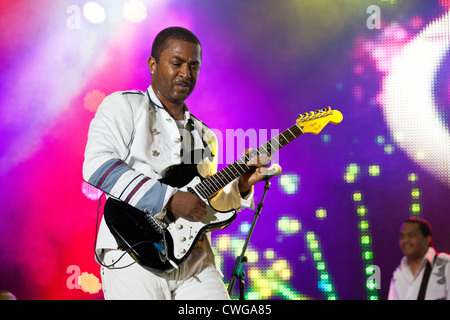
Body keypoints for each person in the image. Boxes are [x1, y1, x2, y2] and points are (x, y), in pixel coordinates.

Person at [82, 27, 270, 300]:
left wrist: (241, 187)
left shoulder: (205, 136)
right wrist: (168, 199)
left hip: (193, 257)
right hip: (131, 251)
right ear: (153, 64)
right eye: (177, 63)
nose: (186, 73)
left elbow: (205, 202)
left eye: (194, 66)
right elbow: (98, 166)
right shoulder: (124, 106)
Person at [388, 217, 450, 300]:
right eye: (402, 236)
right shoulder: (398, 274)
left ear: (427, 239)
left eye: (411, 235)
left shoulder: (446, 264)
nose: (405, 240)